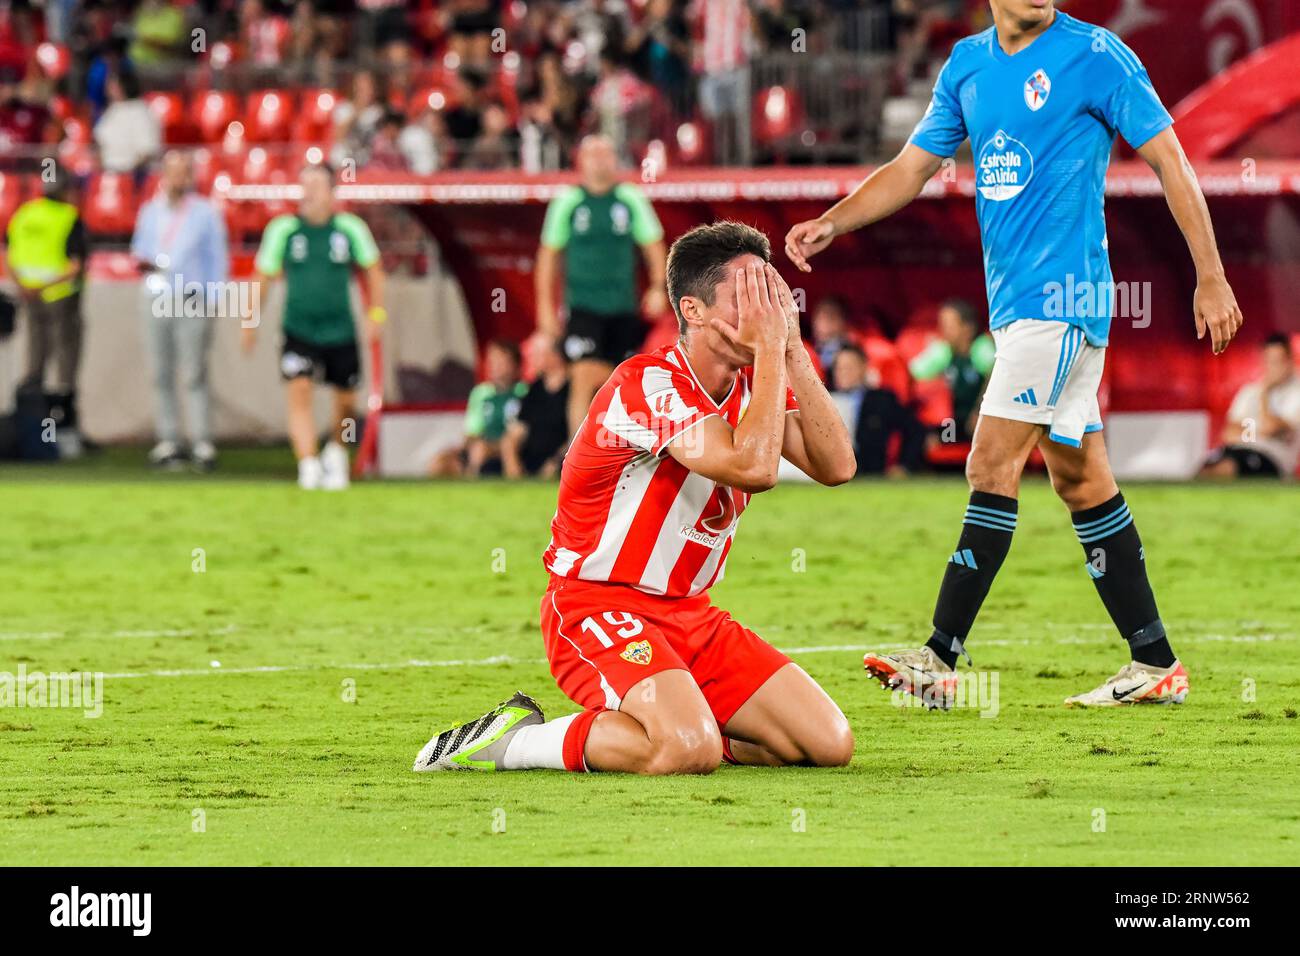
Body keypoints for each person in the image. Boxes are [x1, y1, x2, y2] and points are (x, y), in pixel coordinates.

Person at [785, 0, 1243, 708]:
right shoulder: (968, 65)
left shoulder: (1096, 55)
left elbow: (1171, 160)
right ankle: (1155, 663)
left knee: (988, 462)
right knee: (1081, 481)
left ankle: (939, 656)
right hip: (1021, 311)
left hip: (1061, 304)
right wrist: (832, 222)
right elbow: (910, 168)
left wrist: (1211, 275)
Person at [414, 222, 857, 775]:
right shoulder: (647, 385)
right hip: (598, 605)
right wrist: (772, 351)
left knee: (829, 743)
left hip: (692, 616)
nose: (768, 308)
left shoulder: (756, 383)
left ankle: (681, 715)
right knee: (684, 750)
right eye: (749, 294)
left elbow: (838, 466)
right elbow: (752, 468)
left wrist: (790, 351)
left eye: (771, 291)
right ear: (693, 311)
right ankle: (507, 742)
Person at [247, 163, 386, 490]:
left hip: (340, 330)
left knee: (347, 400)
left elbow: (375, 270)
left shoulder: (350, 228)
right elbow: (262, 277)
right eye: (304, 184)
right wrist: (250, 319)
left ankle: (336, 452)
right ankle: (308, 463)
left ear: (332, 192)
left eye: (316, 185)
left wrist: (376, 314)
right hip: (299, 329)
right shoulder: (283, 230)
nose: (308, 192)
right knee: (299, 389)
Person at [535, 134, 667, 438]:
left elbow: (653, 245)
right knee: (582, 375)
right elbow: (548, 256)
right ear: (580, 161)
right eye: (592, 153)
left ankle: (619, 456)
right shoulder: (568, 201)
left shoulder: (629, 198)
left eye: (605, 153)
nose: (599, 160)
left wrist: (659, 287)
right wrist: (545, 307)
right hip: (583, 306)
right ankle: (575, 457)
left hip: (623, 306)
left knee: (623, 381)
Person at [130, 150, 229, 470]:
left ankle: (202, 441)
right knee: (160, 371)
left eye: (184, 170)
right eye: (172, 170)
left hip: (191, 296)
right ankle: (169, 440)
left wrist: (214, 298)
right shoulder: (150, 211)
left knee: (194, 372)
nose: (178, 177)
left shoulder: (205, 213)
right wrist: (147, 262)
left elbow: (217, 258)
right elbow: (139, 249)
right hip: (157, 294)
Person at [7, 164, 87, 451]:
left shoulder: (25, 214)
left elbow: (10, 257)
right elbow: (75, 266)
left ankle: (33, 436)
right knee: (64, 368)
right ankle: (60, 437)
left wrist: (26, 287)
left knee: (35, 362)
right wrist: (44, 286)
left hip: (30, 298)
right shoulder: (68, 217)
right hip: (60, 298)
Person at [1201, 334, 1300, 480]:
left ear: (1289, 361)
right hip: (1236, 451)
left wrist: (1265, 393)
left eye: (1276, 362)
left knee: (1227, 468)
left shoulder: (1296, 392)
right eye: (1268, 361)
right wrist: (1260, 433)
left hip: (1271, 458)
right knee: (1204, 469)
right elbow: (1229, 433)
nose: (1271, 368)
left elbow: (1270, 427)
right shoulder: (1249, 391)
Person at [430, 339, 527, 478]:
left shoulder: (523, 392)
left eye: (501, 361)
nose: (496, 366)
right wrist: (465, 446)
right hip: (481, 444)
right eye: (492, 361)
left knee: (480, 451)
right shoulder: (481, 393)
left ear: (515, 365)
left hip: (509, 447)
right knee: (439, 462)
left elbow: (521, 432)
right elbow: (473, 430)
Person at [909, 297, 995, 442]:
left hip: (983, 418)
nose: (943, 331)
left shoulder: (982, 349)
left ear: (968, 328)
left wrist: (979, 412)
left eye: (949, 326)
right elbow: (915, 372)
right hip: (954, 421)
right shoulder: (944, 352)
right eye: (942, 325)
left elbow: (995, 379)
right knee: (928, 439)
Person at [831, 343, 924, 476]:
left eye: (849, 367)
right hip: (832, 475)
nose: (843, 373)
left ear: (864, 367)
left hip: (871, 476)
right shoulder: (826, 398)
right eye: (839, 368)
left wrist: (904, 466)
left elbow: (915, 431)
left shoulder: (882, 400)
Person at [501, 334, 570, 479]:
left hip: (562, 461)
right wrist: (511, 458)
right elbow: (519, 429)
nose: (531, 358)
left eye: (537, 354)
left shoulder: (573, 390)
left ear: (555, 355)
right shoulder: (533, 389)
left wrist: (556, 461)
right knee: (489, 468)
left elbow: (577, 435)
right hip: (530, 459)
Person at [93, 70, 161, 176]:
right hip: (108, 174)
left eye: (113, 86)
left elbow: (147, 151)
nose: (107, 90)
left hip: (134, 176)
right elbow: (99, 142)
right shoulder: (111, 110)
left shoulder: (141, 112)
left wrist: (126, 174)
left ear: (124, 86)